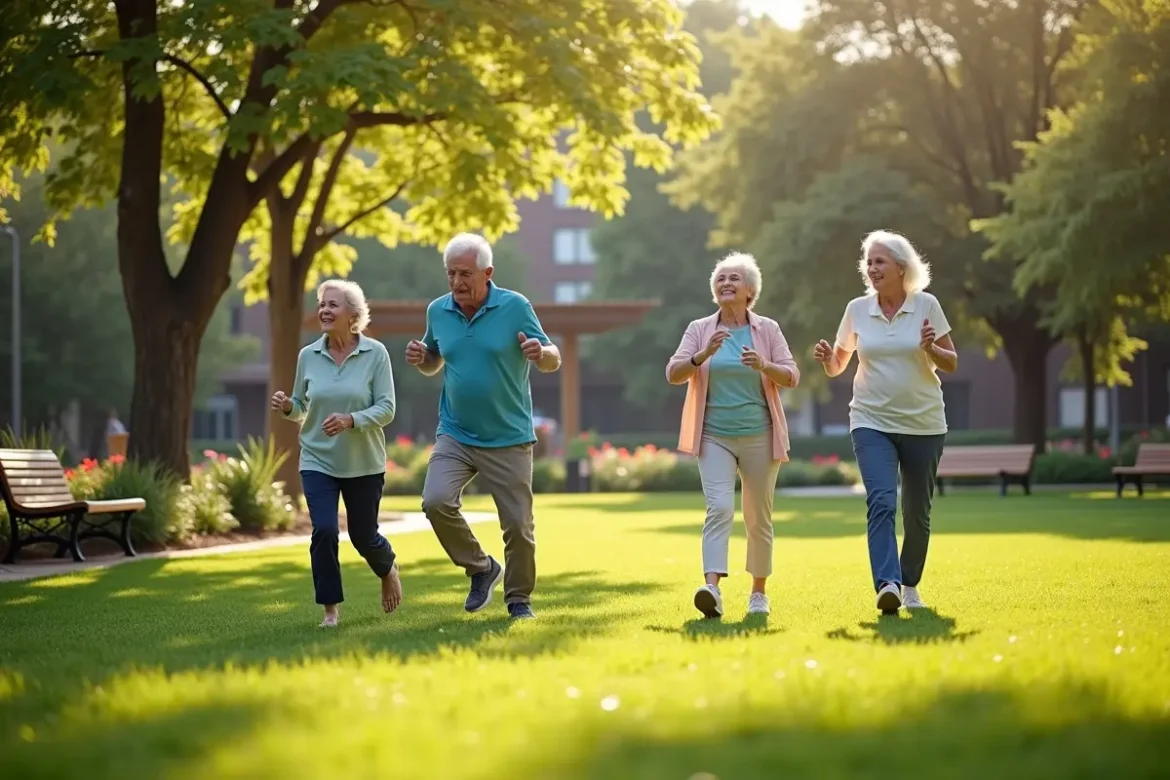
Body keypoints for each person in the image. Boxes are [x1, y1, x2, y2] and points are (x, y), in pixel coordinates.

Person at [406, 233, 561, 620]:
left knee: (518, 528)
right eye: (451, 274)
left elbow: (553, 358)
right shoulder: (438, 311)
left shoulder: (515, 306)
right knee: (436, 501)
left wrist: (540, 353)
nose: (457, 282)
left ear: (487, 273)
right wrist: (423, 357)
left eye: (465, 274)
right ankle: (480, 568)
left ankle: (519, 600)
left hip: (508, 436)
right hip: (456, 432)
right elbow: (434, 361)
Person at [813, 230, 959, 615]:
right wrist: (828, 357)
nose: (872, 268)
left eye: (880, 261)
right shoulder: (857, 310)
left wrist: (931, 347)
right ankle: (888, 585)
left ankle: (910, 583)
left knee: (916, 512)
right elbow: (838, 366)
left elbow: (952, 362)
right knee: (880, 501)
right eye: (869, 262)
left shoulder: (927, 305)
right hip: (870, 419)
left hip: (924, 423)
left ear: (900, 267)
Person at [666, 252, 800, 619]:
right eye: (721, 278)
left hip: (760, 435)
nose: (726, 283)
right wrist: (701, 356)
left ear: (750, 290)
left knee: (759, 516)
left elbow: (791, 375)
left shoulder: (767, 330)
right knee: (719, 507)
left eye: (734, 278)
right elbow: (673, 373)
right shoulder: (699, 330)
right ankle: (711, 588)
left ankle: (758, 593)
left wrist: (765, 365)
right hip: (713, 436)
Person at [272, 279, 402, 628]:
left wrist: (351, 420)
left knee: (363, 536)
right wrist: (288, 406)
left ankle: (387, 566)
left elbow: (387, 408)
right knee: (325, 531)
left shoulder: (376, 354)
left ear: (353, 315)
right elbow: (301, 406)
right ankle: (330, 611)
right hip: (318, 458)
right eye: (322, 304)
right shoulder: (308, 356)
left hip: (363, 462)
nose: (325, 311)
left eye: (333, 305)